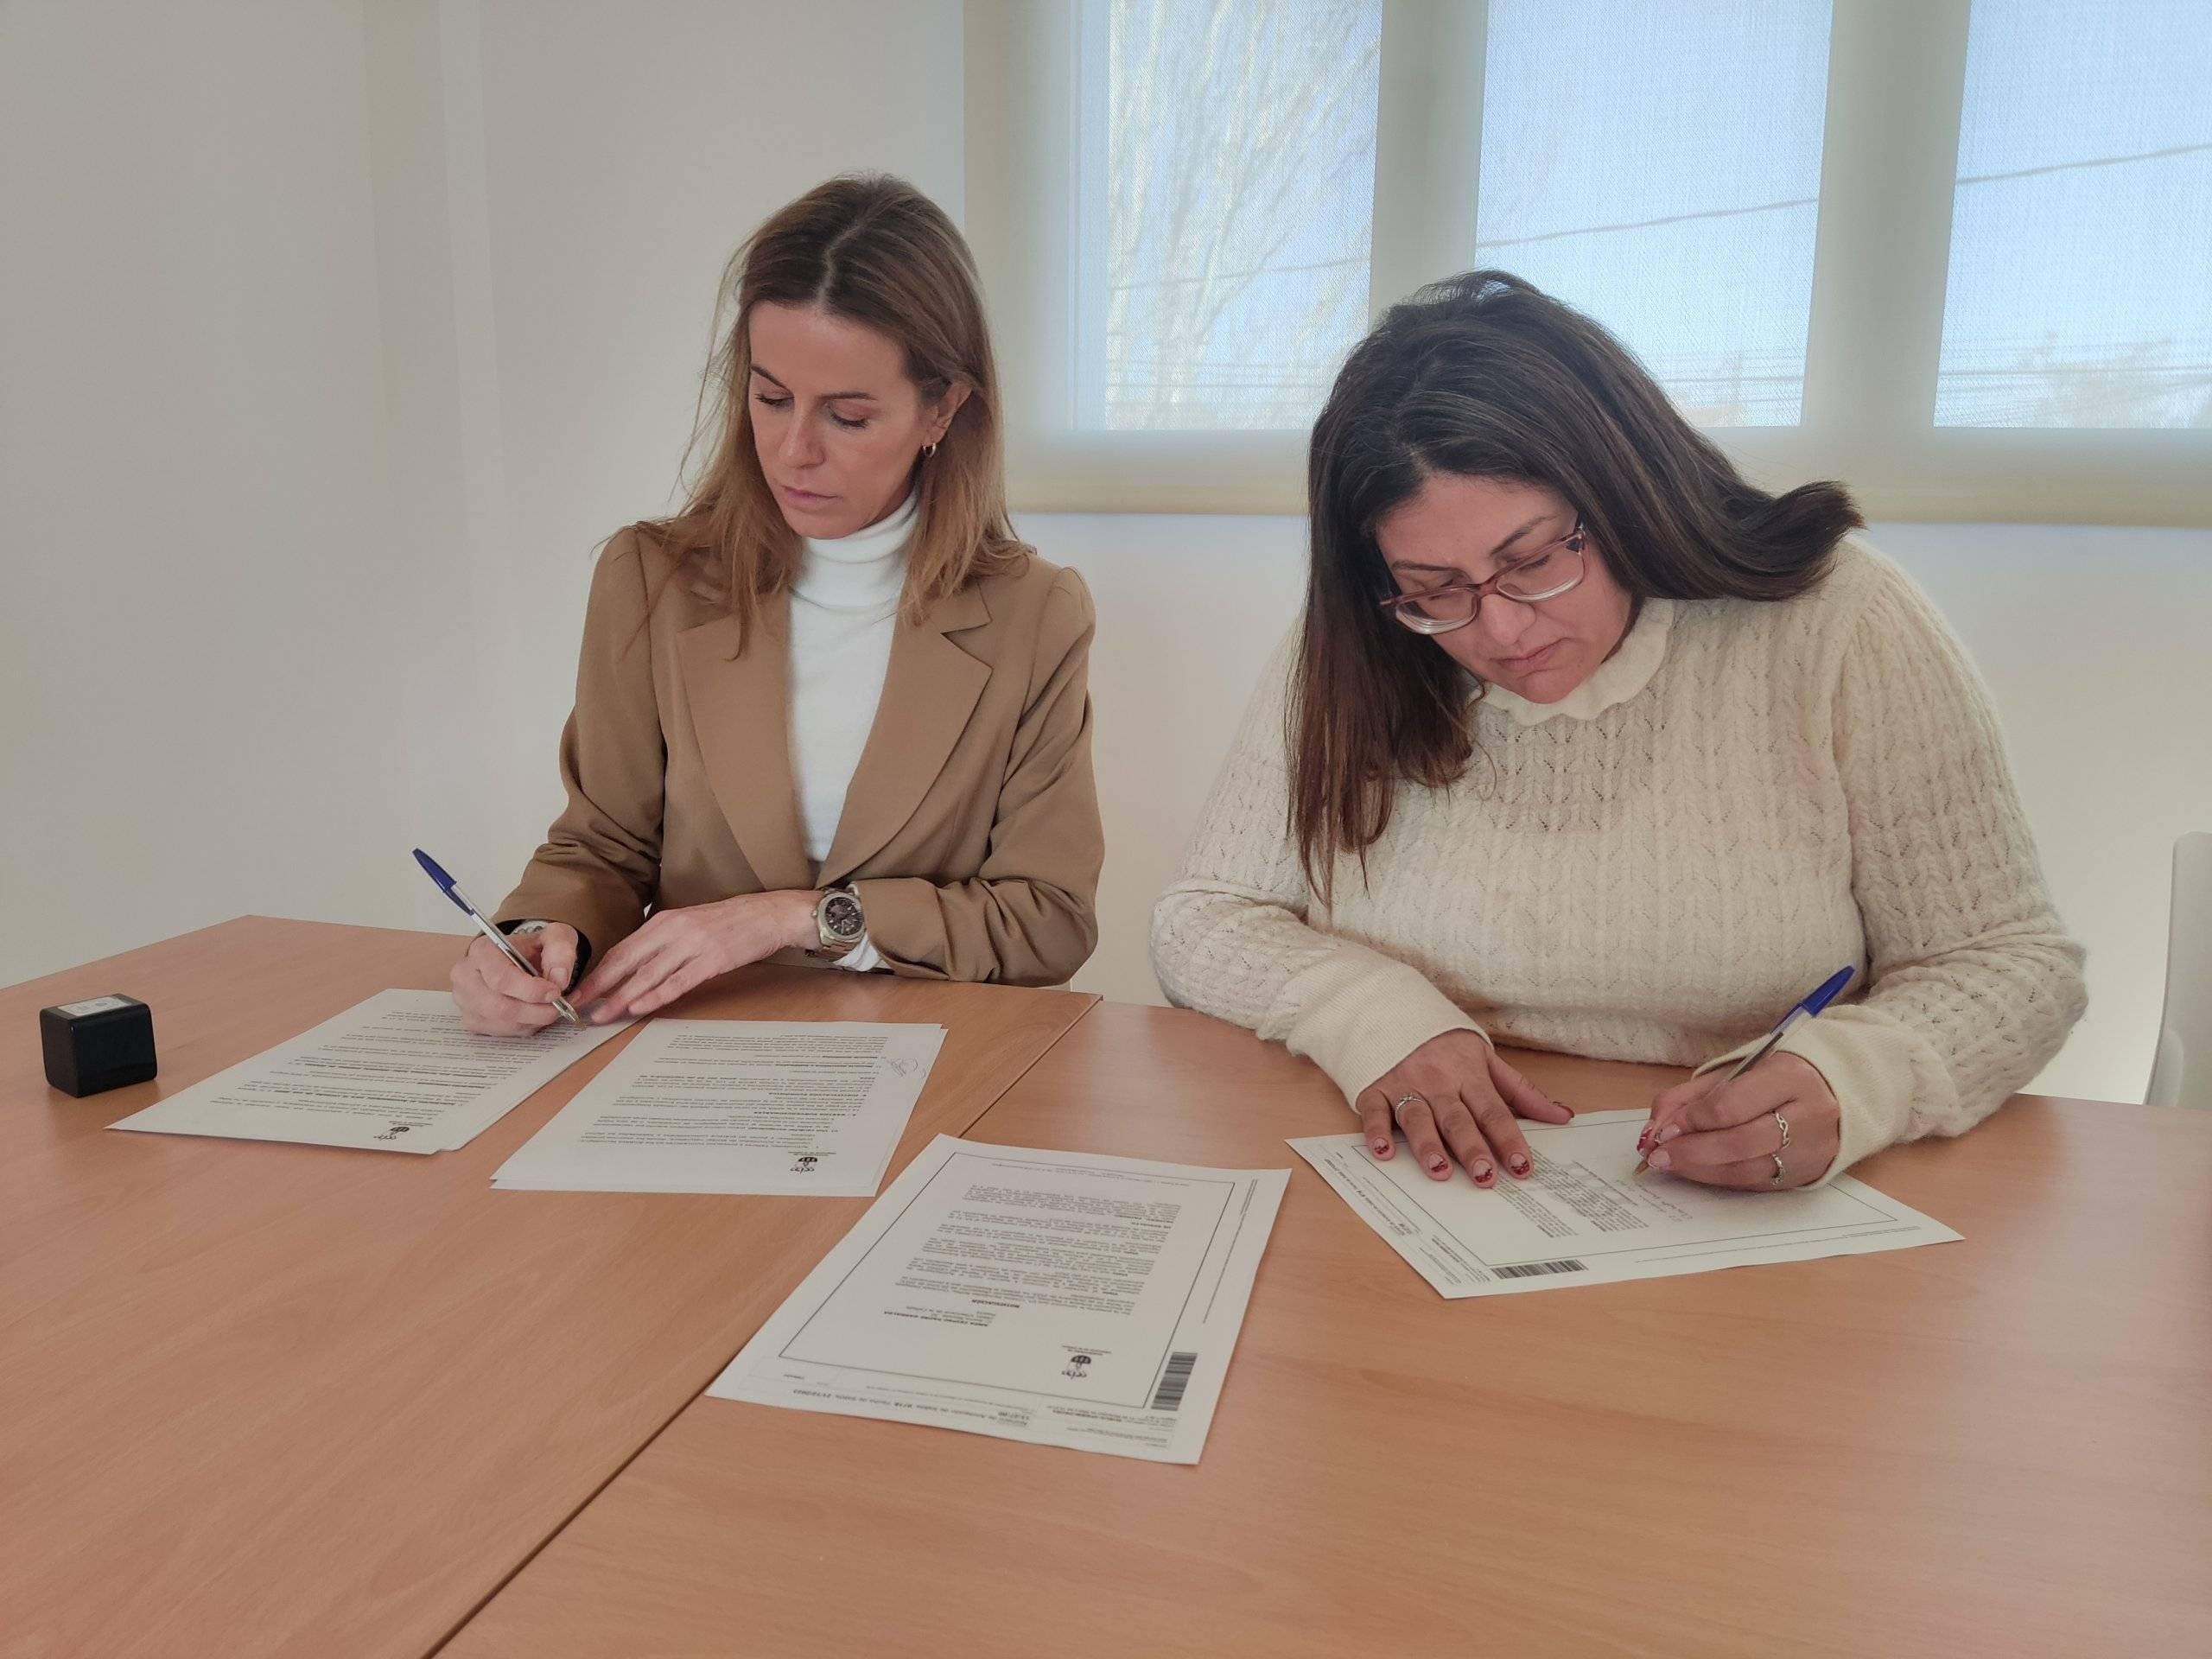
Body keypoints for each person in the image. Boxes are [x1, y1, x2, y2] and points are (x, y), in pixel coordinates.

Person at [1151, 271, 2085, 1192]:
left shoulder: (1840, 622)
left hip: (1732, 1198)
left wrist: (1854, 1080)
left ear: (1625, 490)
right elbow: (1204, 917)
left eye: (1530, 558)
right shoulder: (1363, 645)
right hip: (1410, 1176)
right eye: (1436, 589)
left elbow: (2009, 965)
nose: (1500, 630)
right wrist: (1369, 1015)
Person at [452, 175, 1102, 1035]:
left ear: (942, 409)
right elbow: (600, 850)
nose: (794, 451)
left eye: (848, 415)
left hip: (941, 1063)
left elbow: (1046, 922)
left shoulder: (1034, 614)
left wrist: (798, 918)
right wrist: (536, 939)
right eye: (770, 399)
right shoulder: (651, 579)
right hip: (698, 1058)